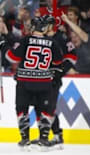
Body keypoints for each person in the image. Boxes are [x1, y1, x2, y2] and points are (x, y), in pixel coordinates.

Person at [0, 16, 63, 150]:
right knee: (43, 110)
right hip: (44, 82)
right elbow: (58, 62)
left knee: (22, 109)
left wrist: (3, 46)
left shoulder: (26, 40)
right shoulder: (52, 42)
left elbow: (12, 57)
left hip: (25, 82)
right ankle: (43, 140)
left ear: (33, 27)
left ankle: (25, 139)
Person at [31, 15, 77, 149]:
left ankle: (55, 136)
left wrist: (60, 71)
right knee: (39, 107)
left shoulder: (61, 38)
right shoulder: (41, 38)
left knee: (48, 107)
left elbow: (72, 56)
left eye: (46, 24)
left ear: (52, 25)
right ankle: (46, 135)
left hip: (53, 80)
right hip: (40, 78)